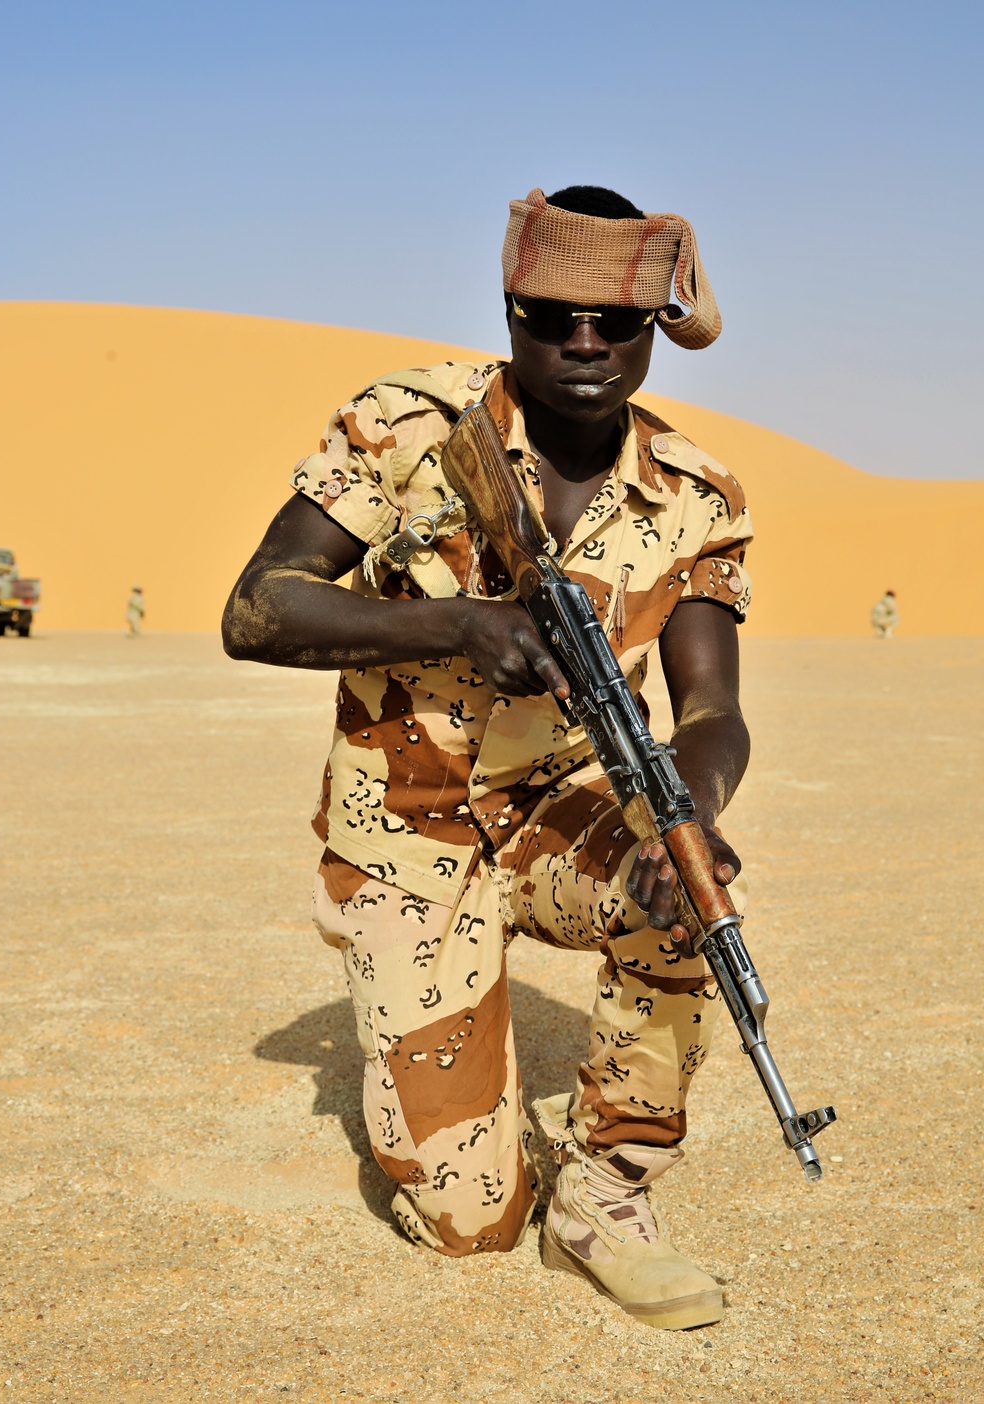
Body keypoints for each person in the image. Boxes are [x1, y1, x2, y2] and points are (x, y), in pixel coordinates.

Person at [223, 186, 753, 1331]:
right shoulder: (408, 426)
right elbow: (256, 610)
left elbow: (712, 710)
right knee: (472, 1224)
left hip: (557, 814)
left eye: (614, 323)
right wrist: (455, 624)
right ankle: (463, 1102)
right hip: (404, 837)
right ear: (508, 307)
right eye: (549, 313)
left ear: (653, 329)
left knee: (688, 894)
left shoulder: (696, 495)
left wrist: (690, 816)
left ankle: (607, 1196)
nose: (582, 343)